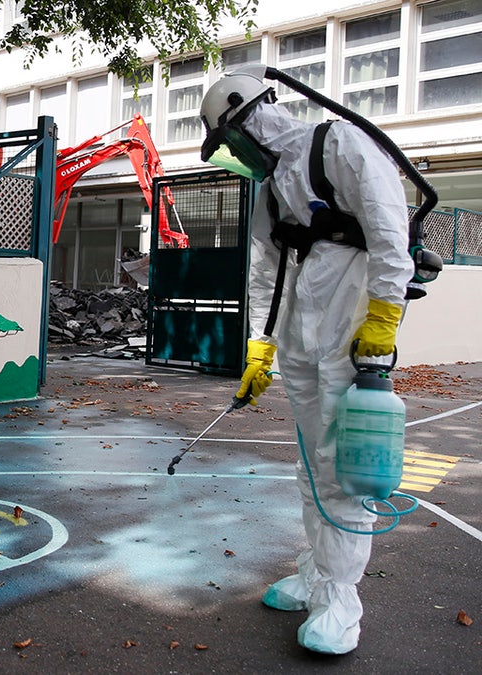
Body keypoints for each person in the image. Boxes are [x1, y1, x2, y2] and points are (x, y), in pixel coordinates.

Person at [197, 64, 413, 655]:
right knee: (309, 464)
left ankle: (342, 601)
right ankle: (316, 573)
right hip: (298, 341)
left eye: (232, 142)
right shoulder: (271, 190)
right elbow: (264, 273)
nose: (236, 154)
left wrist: (385, 314)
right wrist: (259, 351)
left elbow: (391, 228)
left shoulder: (338, 144)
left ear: (251, 118)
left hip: (350, 336)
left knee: (342, 467)